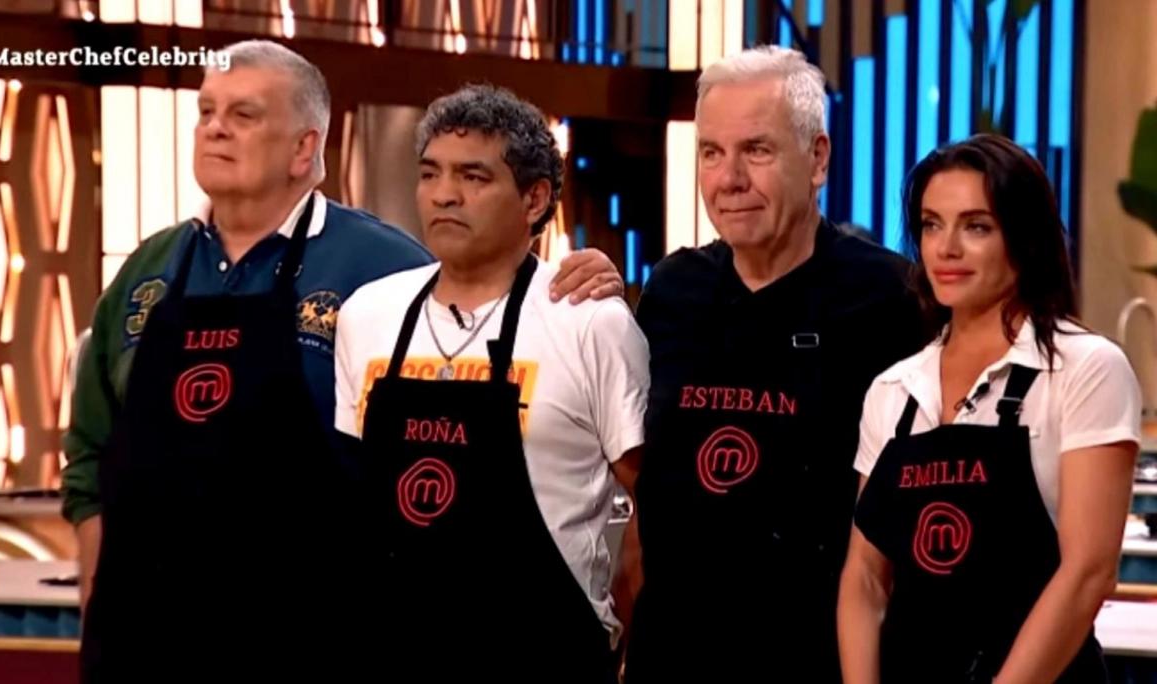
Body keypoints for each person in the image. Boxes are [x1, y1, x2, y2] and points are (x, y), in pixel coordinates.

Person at [61, 40, 623, 683]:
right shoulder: (146, 271)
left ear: (306, 148)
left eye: (243, 114)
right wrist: (100, 613)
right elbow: (91, 459)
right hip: (143, 644)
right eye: (206, 111)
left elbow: (484, 314)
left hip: (312, 644)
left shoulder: (382, 270)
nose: (215, 128)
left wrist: (577, 279)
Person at [623, 46, 923, 682]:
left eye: (756, 150)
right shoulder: (671, 289)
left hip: (822, 662)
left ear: (818, 159)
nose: (729, 179)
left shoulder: (893, 300)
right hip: (672, 659)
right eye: (711, 153)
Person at [333, 84, 648, 682]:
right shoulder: (367, 315)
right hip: (391, 660)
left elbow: (656, 507)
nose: (444, 194)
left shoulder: (590, 322)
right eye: (431, 173)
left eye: (473, 177)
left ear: (535, 198)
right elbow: (355, 501)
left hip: (545, 662)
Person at [838, 134, 1141, 684]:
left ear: (1025, 240)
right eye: (932, 225)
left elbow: (1087, 574)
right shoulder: (894, 389)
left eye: (976, 226)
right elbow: (865, 577)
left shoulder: (1085, 369)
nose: (946, 248)